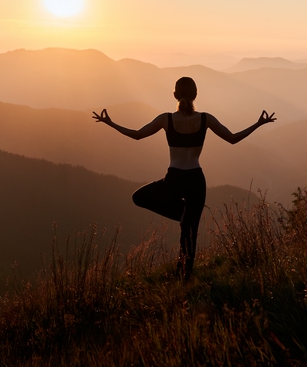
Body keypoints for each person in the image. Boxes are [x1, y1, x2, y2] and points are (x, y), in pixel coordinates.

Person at [92, 77, 276, 279]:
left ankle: (182, 234)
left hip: (174, 179)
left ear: (174, 95)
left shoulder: (166, 119)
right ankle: (185, 273)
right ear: (196, 95)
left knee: (140, 197)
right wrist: (258, 124)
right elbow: (233, 139)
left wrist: (110, 123)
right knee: (191, 231)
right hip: (196, 179)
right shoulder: (206, 119)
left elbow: (137, 135)